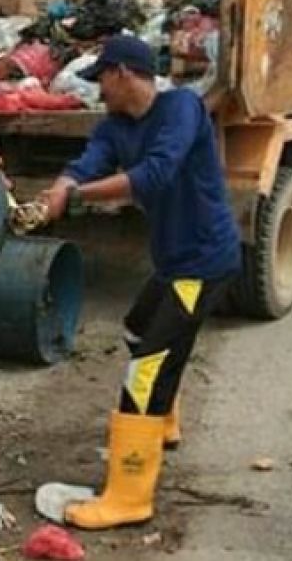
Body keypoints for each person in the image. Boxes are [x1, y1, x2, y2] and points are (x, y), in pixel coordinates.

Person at [37, 35, 241, 530]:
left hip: (202, 262)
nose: (97, 92)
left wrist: (78, 196)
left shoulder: (181, 109)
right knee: (136, 330)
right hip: (173, 262)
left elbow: (154, 175)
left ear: (122, 73)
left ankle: (129, 497)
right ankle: (164, 423)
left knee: (145, 373)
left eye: (100, 79)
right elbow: (85, 164)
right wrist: (60, 188)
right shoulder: (115, 126)